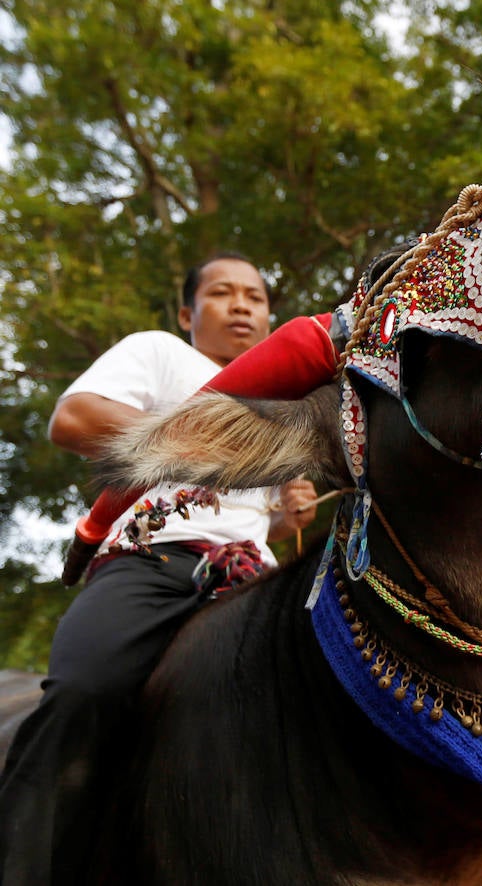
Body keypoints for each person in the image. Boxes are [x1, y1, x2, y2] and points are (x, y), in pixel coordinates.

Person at [0, 253, 318, 885]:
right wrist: (218, 448)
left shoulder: (288, 406)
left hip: (253, 579)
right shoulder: (162, 355)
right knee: (83, 690)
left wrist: (288, 510)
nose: (241, 305)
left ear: (270, 316)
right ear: (185, 313)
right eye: (222, 293)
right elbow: (77, 419)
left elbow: (249, 517)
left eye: (254, 296)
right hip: (152, 561)